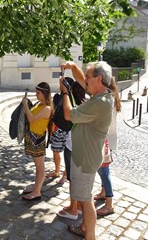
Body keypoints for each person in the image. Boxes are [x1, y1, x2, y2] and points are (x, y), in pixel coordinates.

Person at [60, 61, 119, 240]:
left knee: (85, 201)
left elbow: (68, 114)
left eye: (88, 76)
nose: (85, 80)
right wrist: (73, 67)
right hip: (87, 155)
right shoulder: (102, 94)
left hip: (85, 159)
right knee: (84, 197)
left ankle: (90, 236)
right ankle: (85, 227)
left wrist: (64, 92)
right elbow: (82, 82)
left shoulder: (99, 102)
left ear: (99, 79)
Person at [56, 81, 87, 219]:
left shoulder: (73, 106)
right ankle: (78, 206)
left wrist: (64, 93)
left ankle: (73, 208)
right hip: (82, 147)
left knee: (73, 179)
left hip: (73, 146)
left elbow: (66, 117)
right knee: (78, 179)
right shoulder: (87, 103)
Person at [20, 82, 53, 201]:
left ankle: (37, 191)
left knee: (40, 166)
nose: (36, 95)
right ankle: (36, 187)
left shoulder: (47, 108)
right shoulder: (39, 104)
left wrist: (25, 105)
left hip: (37, 139)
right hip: (32, 137)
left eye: (38, 93)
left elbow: (32, 118)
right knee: (38, 165)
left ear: (44, 94)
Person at [94, 77, 121, 216]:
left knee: (104, 172)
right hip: (107, 139)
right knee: (104, 170)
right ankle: (104, 192)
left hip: (104, 140)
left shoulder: (107, 99)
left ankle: (109, 204)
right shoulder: (111, 97)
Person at [47, 77, 75, 181]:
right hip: (58, 128)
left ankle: (65, 173)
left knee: (67, 154)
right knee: (55, 150)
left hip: (69, 129)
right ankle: (57, 170)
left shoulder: (72, 99)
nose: (60, 87)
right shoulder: (57, 97)